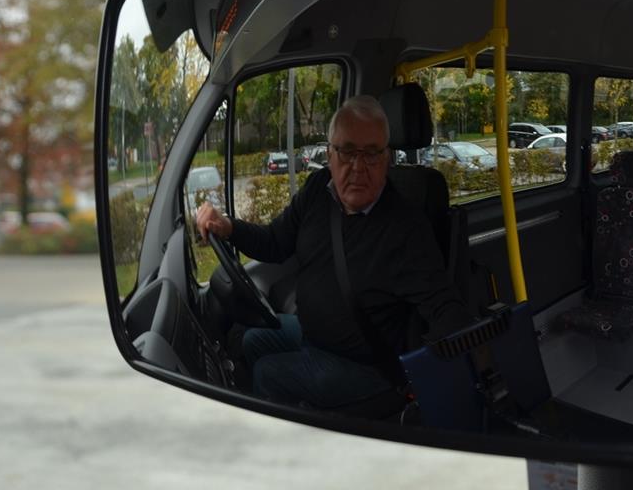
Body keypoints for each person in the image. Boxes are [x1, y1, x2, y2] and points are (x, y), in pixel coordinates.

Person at [195, 95, 471, 409]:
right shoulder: (317, 190)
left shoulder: (406, 227)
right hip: (312, 335)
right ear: (329, 154)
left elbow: (445, 307)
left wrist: (436, 374)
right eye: (348, 151)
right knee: (250, 339)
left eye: (371, 154)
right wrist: (227, 227)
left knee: (267, 373)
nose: (358, 167)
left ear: (387, 159)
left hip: (365, 365)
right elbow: (275, 241)